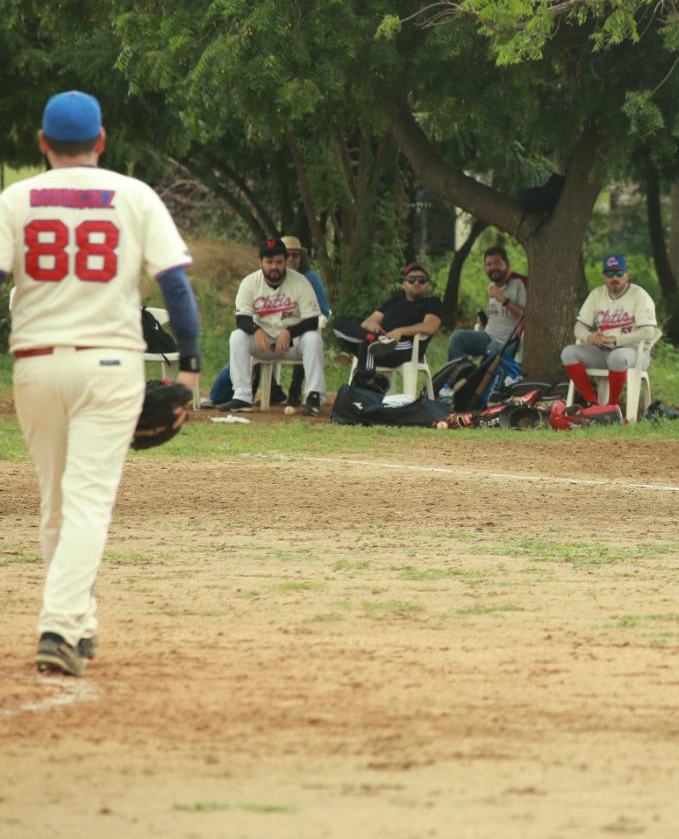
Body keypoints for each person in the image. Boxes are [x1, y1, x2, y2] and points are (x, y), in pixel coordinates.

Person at [0, 90, 201, 676]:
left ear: (42, 144)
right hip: (111, 367)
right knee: (86, 501)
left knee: (57, 501)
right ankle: (60, 628)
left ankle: (78, 624)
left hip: (36, 366)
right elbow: (177, 288)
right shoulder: (134, 195)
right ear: (102, 140)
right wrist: (188, 367)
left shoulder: (14, 199)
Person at [203, 233, 330, 409]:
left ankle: (314, 396)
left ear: (285, 262)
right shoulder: (250, 283)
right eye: (269, 262)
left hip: (292, 343)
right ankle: (242, 396)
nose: (274, 267)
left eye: (278, 262)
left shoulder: (300, 282)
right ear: (260, 262)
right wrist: (256, 330)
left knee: (314, 338)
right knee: (237, 336)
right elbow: (241, 319)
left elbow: (312, 320)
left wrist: (289, 332)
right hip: (264, 343)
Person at [561, 253, 658, 415]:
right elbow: (579, 327)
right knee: (568, 353)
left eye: (619, 273)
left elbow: (648, 332)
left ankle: (612, 408)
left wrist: (616, 339)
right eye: (610, 273)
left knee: (617, 357)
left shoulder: (639, 295)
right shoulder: (597, 294)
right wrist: (588, 336)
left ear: (627, 274)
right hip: (603, 351)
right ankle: (592, 404)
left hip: (635, 353)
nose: (615, 278)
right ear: (603, 276)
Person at [330, 262, 444, 371]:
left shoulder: (432, 302)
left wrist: (401, 331)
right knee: (339, 322)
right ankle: (375, 340)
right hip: (378, 340)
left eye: (422, 280)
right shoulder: (392, 301)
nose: (416, 283)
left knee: (366, 345)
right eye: (411, 279)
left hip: (402, 347)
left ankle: (367, 379)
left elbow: (430, 327)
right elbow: (366, 324)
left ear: (428, 285)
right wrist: (372, 325)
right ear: (404, 285)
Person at [448, 245, 526, 360]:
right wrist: (484, 319)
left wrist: (504, 300)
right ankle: (458, 376)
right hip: (487, 336)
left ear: (507, 264)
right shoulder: (491, 286)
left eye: (497, 263)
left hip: (508, 339)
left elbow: (526, 315)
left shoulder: (519, 283)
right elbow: (498, 315)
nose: (493, 267)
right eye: (489, 264)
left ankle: (479, 377)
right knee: (456, 338)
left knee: (491, 351)